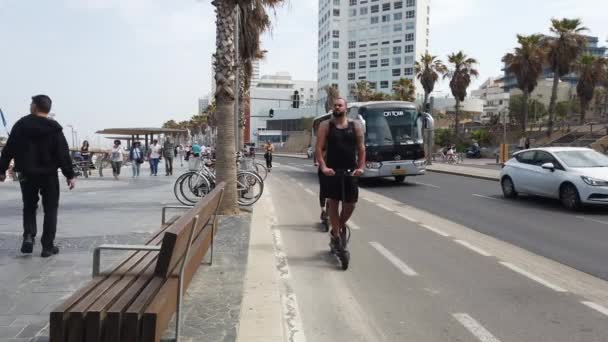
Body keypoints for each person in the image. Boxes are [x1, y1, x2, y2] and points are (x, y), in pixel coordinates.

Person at [0, 95, 76, 257]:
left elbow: (8, 149)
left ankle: (28, 236)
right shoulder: (55, 128)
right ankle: (47, 247)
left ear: (34, 106)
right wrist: (69, 175)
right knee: (50, 209)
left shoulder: (21, 125)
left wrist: (2, 170)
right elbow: (63, 153)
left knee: (29, 205)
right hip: (48, 174)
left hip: (25, 174)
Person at [315, 98, 365, 251]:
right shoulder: (326, 125)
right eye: (335, 105)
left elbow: (362, 149)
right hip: (332, 170)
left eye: (340, 105)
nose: (337, 107)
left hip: (350, 170)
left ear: (346, 108)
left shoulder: (355, 125)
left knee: (351, 204)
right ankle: (336, 235)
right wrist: (323, 167)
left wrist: (361, 167)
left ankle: (339, 224)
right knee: (334, 202)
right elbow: (318, 149)